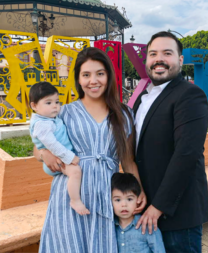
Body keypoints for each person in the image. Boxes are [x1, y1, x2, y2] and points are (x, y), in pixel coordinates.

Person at [33, 47, 146, 253]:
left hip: (107, 192)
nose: (93, 81)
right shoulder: (64, 112)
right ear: (78, 78)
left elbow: (128, 160)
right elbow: (38, 147)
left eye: (100, 73)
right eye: (86, 75)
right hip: (70, 194)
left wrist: (138, 190)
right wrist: (44, 153)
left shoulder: (124, 113)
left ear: (109, 76)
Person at [134, 31, 208, 253]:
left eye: (167, 53)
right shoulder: (143, 97)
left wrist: (159, 206)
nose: (159, 59)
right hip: (145, 206)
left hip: (176, 212)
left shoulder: (190, 95)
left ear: (180, 60)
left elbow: (186, 154)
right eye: (153, 54)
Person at [29, 82, 90, 215]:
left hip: (61, 157)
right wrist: (69, 157)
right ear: (34, 106)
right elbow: (52, 144)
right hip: (58, 160)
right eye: (48, 103)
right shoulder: (42, 123)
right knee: (75, 172)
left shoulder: (50, 118)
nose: (55, 106)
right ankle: (75, 200)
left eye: (57, 102)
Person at [111, 172, 166, 253]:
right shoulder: (110, 227)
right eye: (118, 200)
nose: (124, 204)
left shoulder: (147, 226)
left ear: (138, 200)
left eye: (129, 199)